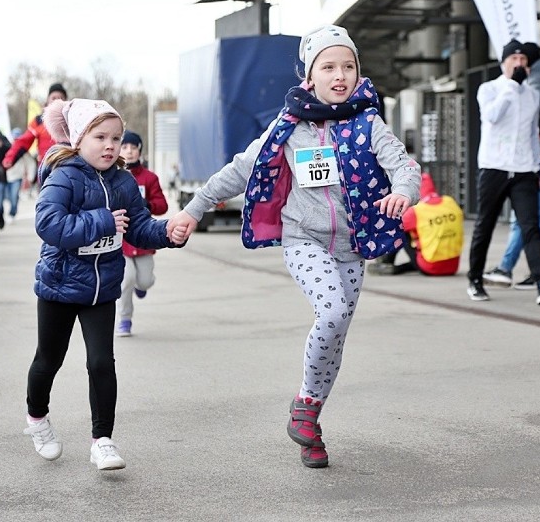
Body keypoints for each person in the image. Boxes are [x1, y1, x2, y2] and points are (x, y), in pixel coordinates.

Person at [166, 25, 421, 469]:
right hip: (304, 239)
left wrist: (404, 191)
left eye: (348, 66)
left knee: (336, 336)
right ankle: (306, 406)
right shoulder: (287, 128)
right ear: (309, 75)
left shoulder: (368, 122)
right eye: (328, 66)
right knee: (334, 312)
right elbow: (241, 168)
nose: (339, 75)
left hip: (352, 245)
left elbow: (404, 165)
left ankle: (310, 423)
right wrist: (194, 208)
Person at [23, 98, 181, 471]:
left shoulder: (124, 181)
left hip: (102, 289)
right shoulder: (64, 175)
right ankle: (36, 419)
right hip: (60, 286)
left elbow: (139, 226)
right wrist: (103, 222)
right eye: (100, 137)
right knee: (50, 359)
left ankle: (102, 440)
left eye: (116, 137)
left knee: (101, 362)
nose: (110, 146)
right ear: (79, 139)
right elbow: (48, 225)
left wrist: (169, 232)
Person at [466, 39, 540, 306]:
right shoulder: (490, 89)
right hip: (494, 166)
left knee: (530, 225)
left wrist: (536, 166)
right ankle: (475, 279)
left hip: (524, 168)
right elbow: (492, 116)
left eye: (524, 61)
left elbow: (533, 134)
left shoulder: (533, 95)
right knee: (485, 225)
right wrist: (512, 85)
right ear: (504, 63)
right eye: (515, 60)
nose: (520, 65)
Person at [115, 130, 169, 337]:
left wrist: (147, 205)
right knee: (126, 279)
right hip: (121, 240)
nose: (129, 152)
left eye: (133, 147)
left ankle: (142, 285)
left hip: (144, 239)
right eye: (125, 147)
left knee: (145, 280)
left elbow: (162, 205)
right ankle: (125, 320)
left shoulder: (150, 178)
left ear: (140, 151)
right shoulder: (115, 176)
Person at [367, 172, 463, 276]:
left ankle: (386, 262)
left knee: (399, 230)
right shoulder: (449, 202)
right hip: (453, 266)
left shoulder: (417, 211)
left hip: (429, 266)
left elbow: (390, 229)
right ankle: (401, 267)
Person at [2, 83, 67, 171]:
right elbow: (24, 141)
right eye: (53, 98)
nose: (56, 101)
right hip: (46, 168)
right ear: (47, 100)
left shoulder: (71, 120)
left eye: (60, 98)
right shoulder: (38, 121)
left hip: (67, 165)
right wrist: (10, 158)